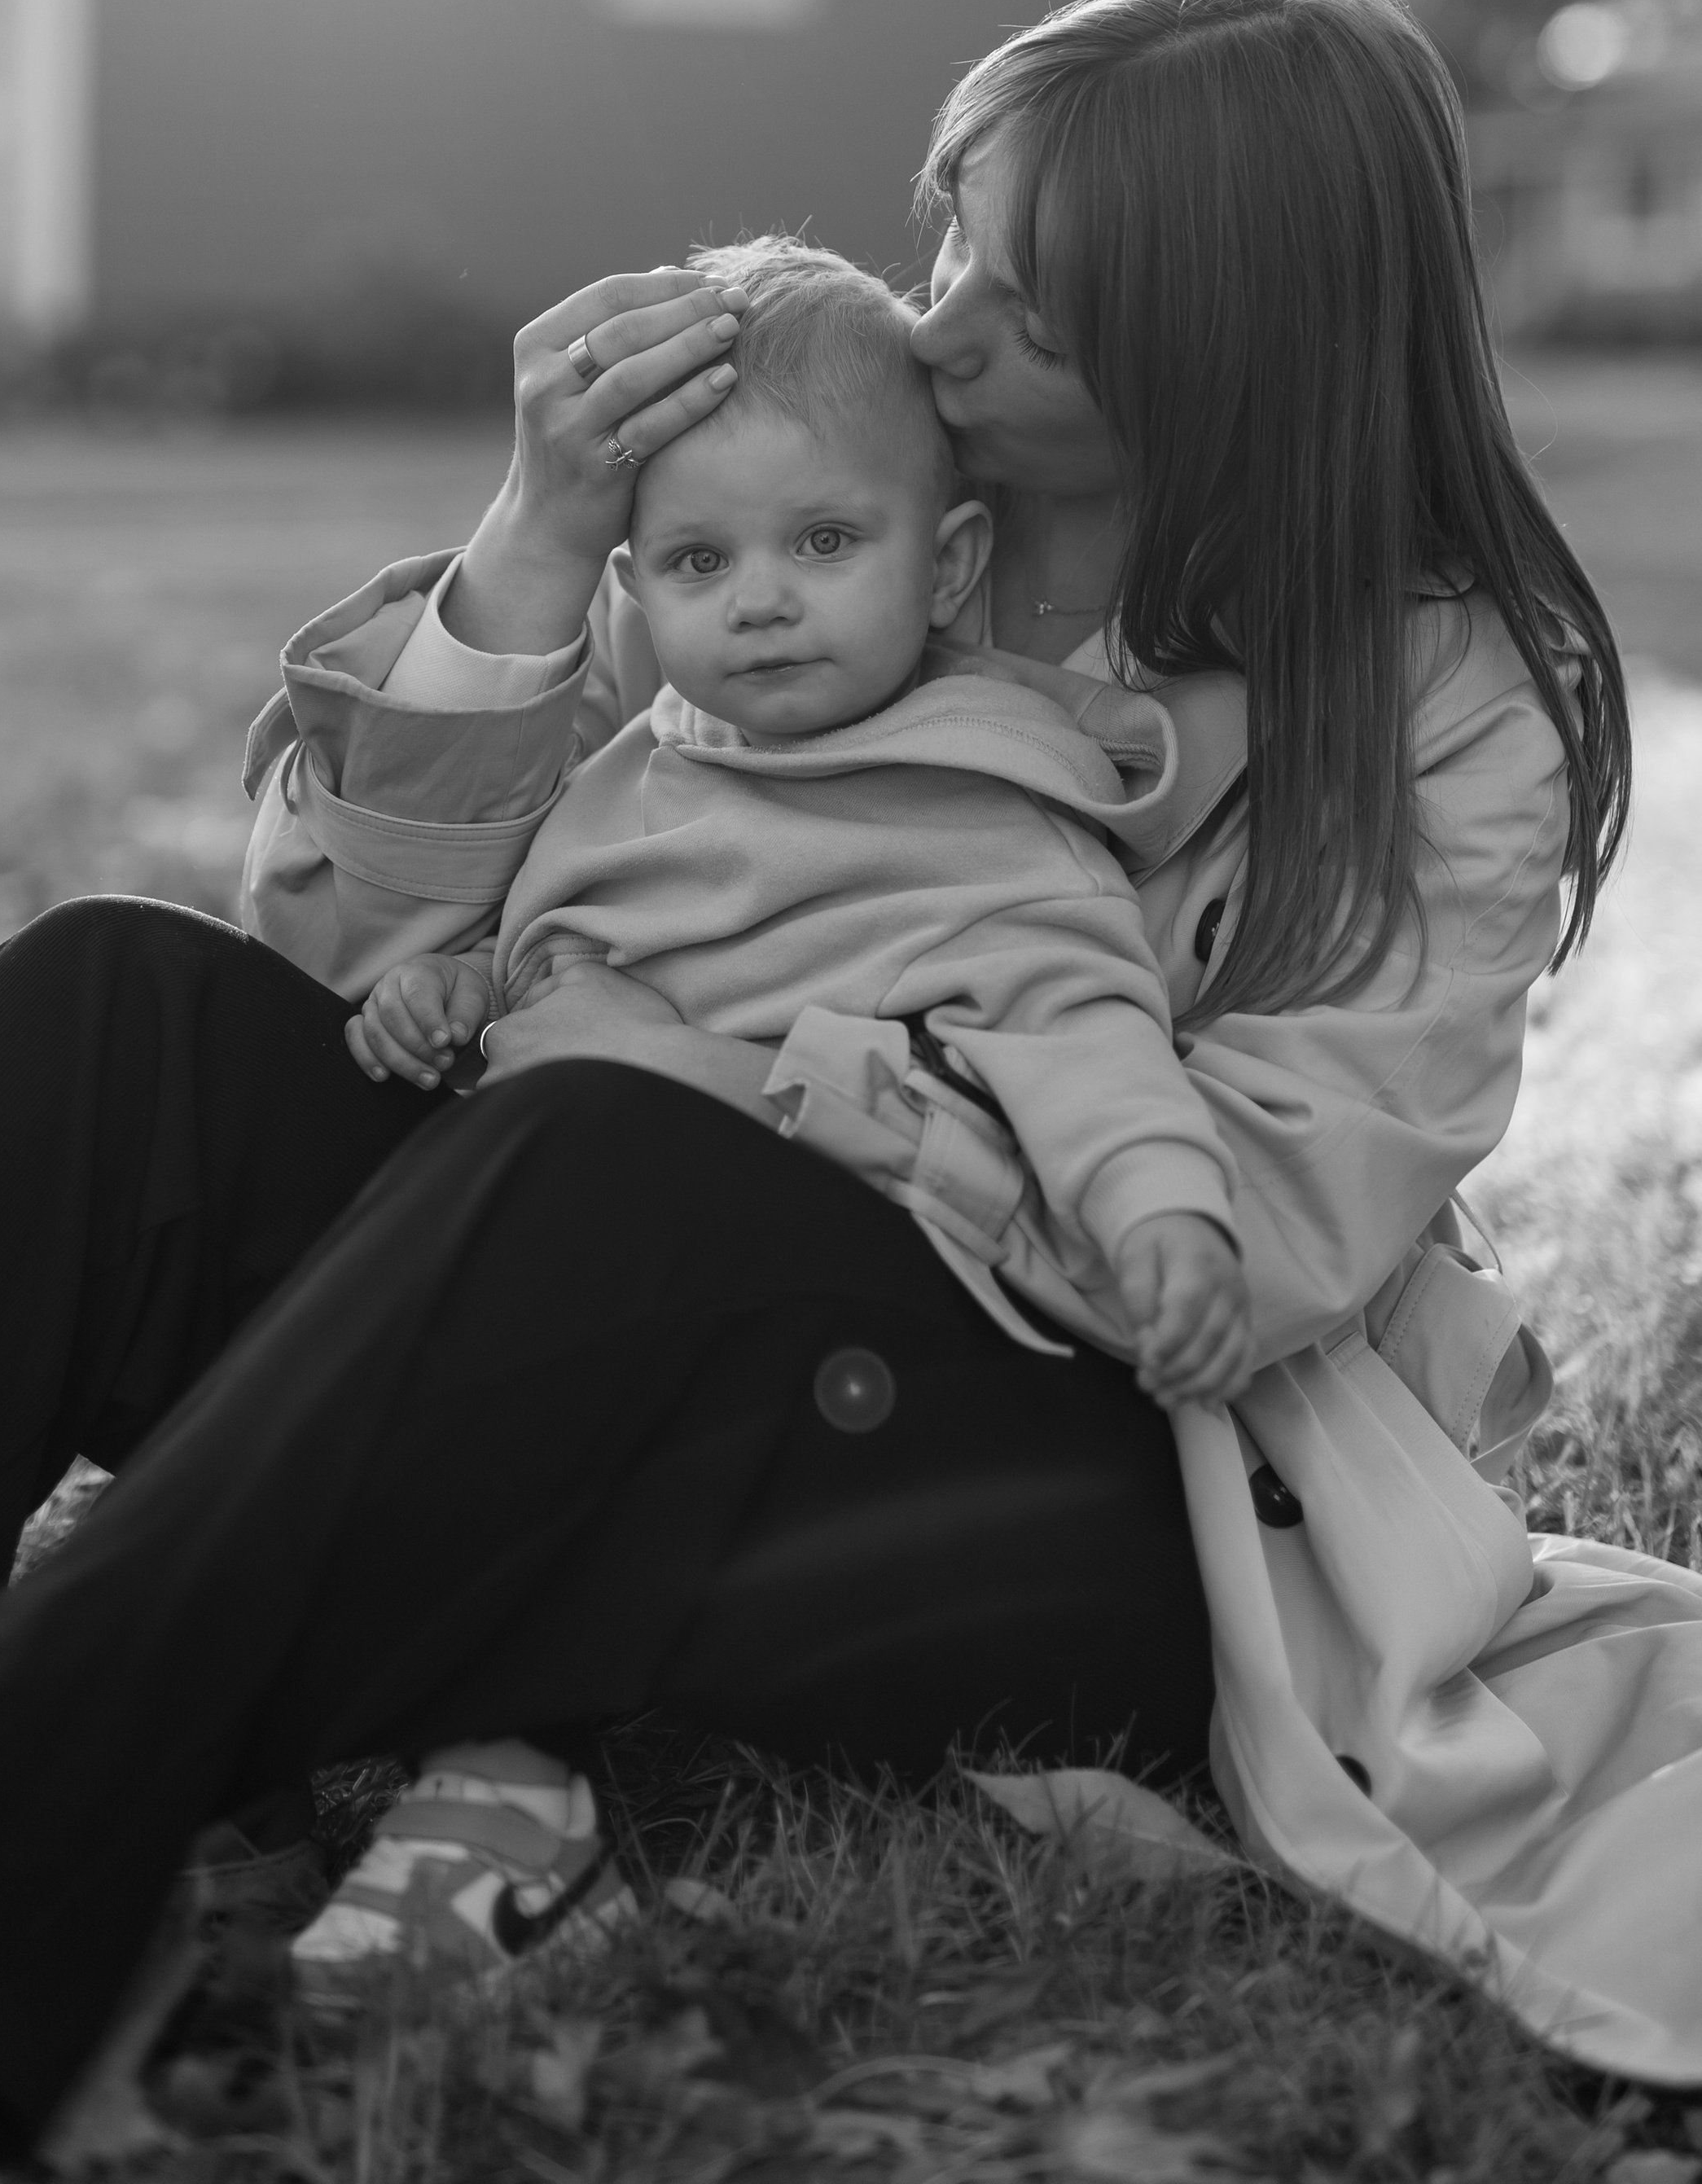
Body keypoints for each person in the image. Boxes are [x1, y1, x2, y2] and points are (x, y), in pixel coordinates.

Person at [0, 0, 1692, 2184]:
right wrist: (530, 558)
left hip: (1079, 1493)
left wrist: (730, 1070)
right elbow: (323, 947)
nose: (945, 323)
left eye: (1041, 309)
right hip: (571, 1298)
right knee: (107, 1013)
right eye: (949, 235)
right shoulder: (819, 495)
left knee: (616, 1148)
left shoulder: (1450, 699)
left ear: (1237, 351)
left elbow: (1264, 1236)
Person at [301, 229, 1253, 1980]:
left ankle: (503, 1778)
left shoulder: (981, 815)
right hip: (548, 1293)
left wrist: (1160, 1212)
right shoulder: (627, 780)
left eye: (824, 544)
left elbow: (1083, 1038)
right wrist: (445, 999)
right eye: (697, 559)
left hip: (826, 1370)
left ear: (947, 559)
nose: (760, 598)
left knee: (573, 1250)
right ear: (633, 594)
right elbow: (530, 965)